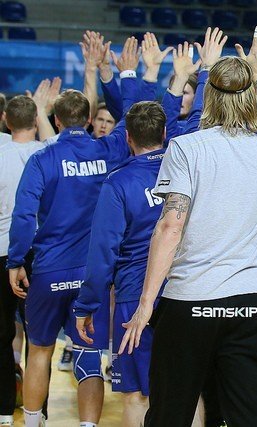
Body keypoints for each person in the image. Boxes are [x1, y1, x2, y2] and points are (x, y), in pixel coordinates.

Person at [119, 25, 257, 426]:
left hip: (190, 301)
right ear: (251, 96)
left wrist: (146, 304)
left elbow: (170, 228)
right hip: (253, 303)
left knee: (170, 415)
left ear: (208, 94)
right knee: (252, 419)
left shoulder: (185, 147)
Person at [7, 35, 140, 427]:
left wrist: (15, 261)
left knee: (40, 352)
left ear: (56, 120)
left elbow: (23, 215)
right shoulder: (107, 150)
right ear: (89, 119)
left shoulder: (42, 158)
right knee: (88, 356)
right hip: (91, 275)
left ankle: (33, 422)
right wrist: (106, 71)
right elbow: (132, 113)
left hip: (49, 270)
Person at [72, 101, 166, 427]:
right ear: (164, 133)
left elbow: (102, 253)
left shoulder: (119, 182)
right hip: (183, 293)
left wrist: (87, 305)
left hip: (133, 297)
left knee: (136, 396)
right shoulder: (185, 170)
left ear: (127, 138)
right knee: (186, 392)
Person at [0, 96, 44, 427]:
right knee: (38, 337)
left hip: (4, 251)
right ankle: (37, 411)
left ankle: (3, 407)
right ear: (37, 119)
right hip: (40, 252)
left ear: (5, 120)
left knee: (2, 332)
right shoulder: (47, 152)